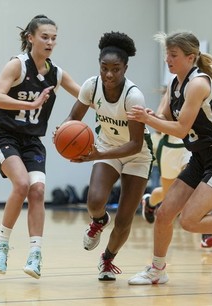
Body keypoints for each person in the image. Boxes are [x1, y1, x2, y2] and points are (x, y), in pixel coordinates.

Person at [126, 31, 212, 285]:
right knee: (163, 213)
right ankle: (157, 270)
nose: (168, 60)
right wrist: (151, 115)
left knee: (190, 221)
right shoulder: (175, 84)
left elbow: (180, 129)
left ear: (190, 57)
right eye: (166, 55)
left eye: (173, 55)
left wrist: (148, 120)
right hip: (200, 157)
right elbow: (170, 121)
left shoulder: (198, 83)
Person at [0, 15, 80, 279]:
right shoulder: (17, 65)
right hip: (3, 135)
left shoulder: (56, 73)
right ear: (31, 38)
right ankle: (1, 244)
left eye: (53, 38)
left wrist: (116, 104)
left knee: (37, 191)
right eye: (44, 37)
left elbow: (85, 95)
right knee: (22, 184)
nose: (50, 42)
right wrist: (30, 104)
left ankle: (35, 253)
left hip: (32, 140)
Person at [59, 31, 153, 281]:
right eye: (104, 68)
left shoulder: (133, 96)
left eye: (116, 69)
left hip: (137, 155)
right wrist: (63, 133)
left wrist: (97, 154)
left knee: (124, 220)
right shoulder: (91, 86)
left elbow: (134, 144)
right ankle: (99, 221)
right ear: (99, 66)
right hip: (107, 146)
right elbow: (73, 118)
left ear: (125, 68)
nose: (109, 74)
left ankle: (108, 259)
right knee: (94, 201)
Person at [141, 93, 212, 248]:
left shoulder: (197, 90)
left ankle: (206, 232)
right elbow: (158, 125)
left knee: (196, 187)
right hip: (169, 148)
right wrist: (153, 117)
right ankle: (149, 201)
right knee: (169, 196)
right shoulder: (170, 94)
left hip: (189, 147)